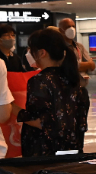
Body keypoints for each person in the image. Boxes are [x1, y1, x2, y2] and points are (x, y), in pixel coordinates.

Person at [13, 29, 89, 157]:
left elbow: (40, 121)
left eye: (31, 49)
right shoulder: (73, 79)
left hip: (45, 152)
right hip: (72, 149)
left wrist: (14, 109)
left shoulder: (39, 81)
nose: (29, 53)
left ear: (42, 53)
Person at [58, 18, 95, 87]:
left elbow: (92, 66)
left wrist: (78, 66)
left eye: (73, 26)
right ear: (61, 30)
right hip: (66, 89)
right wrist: (86, 65)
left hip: (82, 88)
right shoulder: (59, 47)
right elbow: (66, 67)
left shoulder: (79, 46)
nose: (71, 29)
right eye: (68, 27)